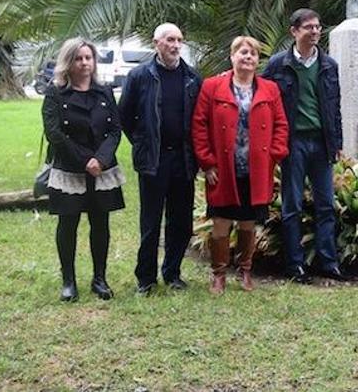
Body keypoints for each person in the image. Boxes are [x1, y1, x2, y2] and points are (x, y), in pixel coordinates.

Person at [192, 36, 289, 294]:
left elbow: (281, 124)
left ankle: (245, 270)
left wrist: (275, 155)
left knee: (249, 222)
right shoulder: (212, 87)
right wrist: (207, 162)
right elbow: (199, 125)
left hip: (256, 168)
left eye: (253, 54)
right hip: (223, 168)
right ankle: (219, 274)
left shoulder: (270, 89)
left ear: (258, 60)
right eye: (243, 52)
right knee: (221, 221)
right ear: (232, 56)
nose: (248, 57)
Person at [263, 8, 349, 283]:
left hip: (321, 143)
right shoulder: (278, 65)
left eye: (318, 27)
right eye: (309, 27)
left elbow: (335, 106)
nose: (315, 32)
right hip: (293, 143)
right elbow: (264, 103)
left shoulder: (328, 65)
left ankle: (328, 262)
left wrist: (337, 141)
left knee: (326, 205)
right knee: (292, 205)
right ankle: (294, 265)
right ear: (294, 31)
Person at [119, 23, 202, 295]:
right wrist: (144, 143)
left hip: (183, 160)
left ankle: (173, 273)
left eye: (179, 40)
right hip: (153, 161)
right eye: (169, 40)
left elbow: (199, 120)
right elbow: (125, 117)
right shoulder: (140, 76)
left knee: (181, 222)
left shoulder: (192, 78)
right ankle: (146, 278)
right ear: (156, 43)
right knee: (150, 222)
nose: (175, 45)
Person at [41, 37, 125, 301]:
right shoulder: (55, 93)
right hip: (70, 169)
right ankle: (69, 282)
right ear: (68, 62)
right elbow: (53, 132)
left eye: (88, 57)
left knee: (100, 223)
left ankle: (99, 279)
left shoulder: (104, 91)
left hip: (102, 169)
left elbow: (115, 129)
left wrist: (100, 159)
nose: (85, 63)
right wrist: (84, 161)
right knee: (68, 224)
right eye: (79, 58)